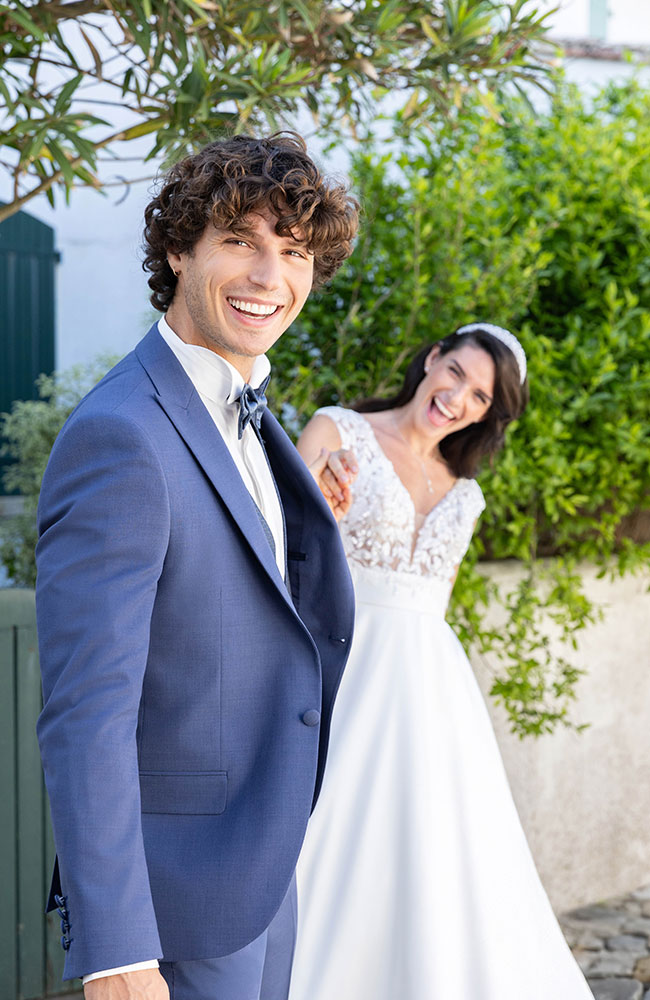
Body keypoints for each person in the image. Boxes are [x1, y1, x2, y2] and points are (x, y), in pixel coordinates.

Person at [35, 132, 358, 1000]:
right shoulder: (121, 435)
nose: (269, 276)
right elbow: (87, 713)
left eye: (294, 252)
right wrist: (115, 949)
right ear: (179, 250)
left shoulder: (243, 408)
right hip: (170, 909)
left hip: (258, 876)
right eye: (240, 241)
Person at [289, 324, 594, 999]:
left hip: (432, 688)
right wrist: (318, 490)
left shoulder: (466, 493)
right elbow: (285, 549)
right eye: (455, 372)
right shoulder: (338, 430)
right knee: (328, 829)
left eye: (480, 396)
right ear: (431, 360)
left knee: (433, 844)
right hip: (344, 661)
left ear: (487, 415)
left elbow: (434, 600)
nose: (457, 397)